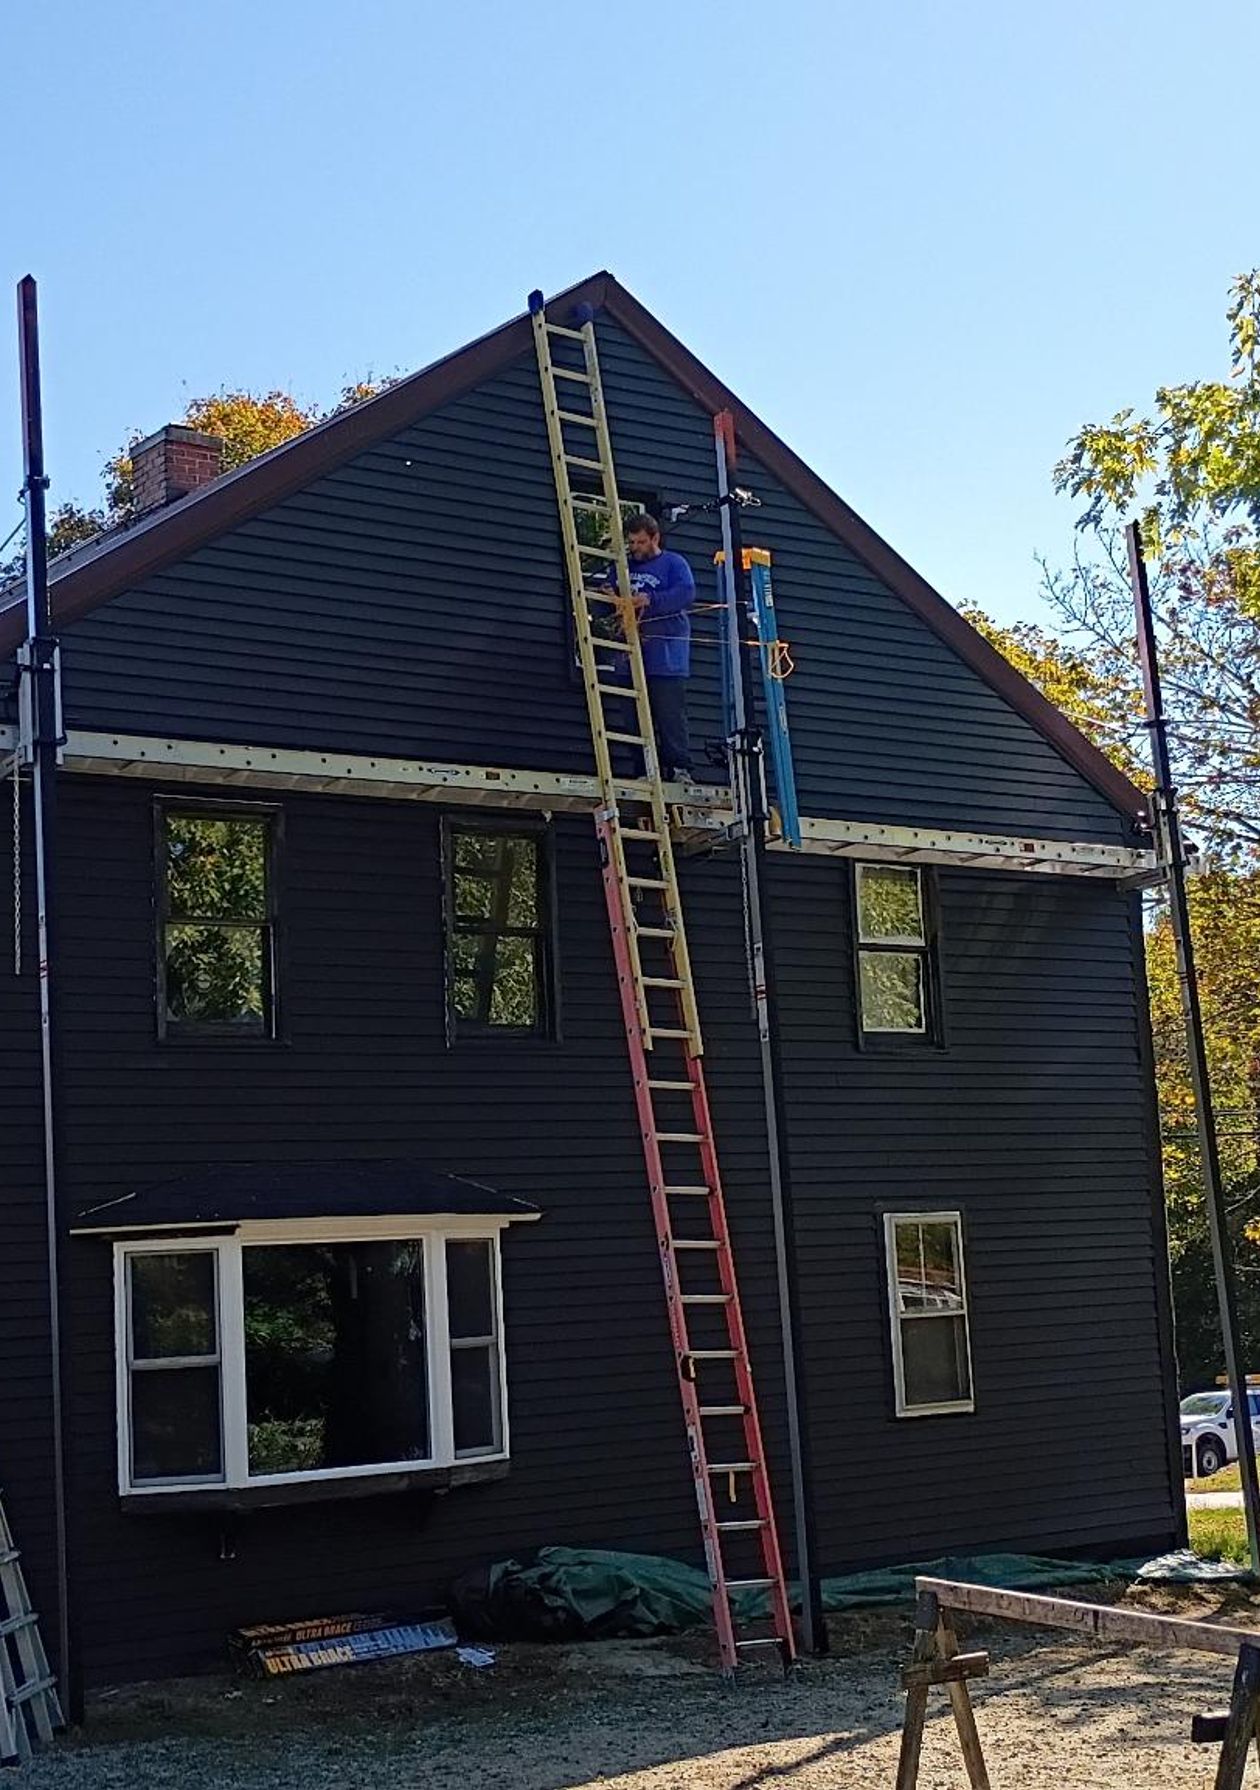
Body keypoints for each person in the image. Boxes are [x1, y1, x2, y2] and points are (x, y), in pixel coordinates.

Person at [614, 512, 697, 780]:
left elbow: (685, 593)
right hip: (629, 655)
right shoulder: (623, 567)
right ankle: (644, 769)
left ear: (655, 538)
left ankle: (679, 768)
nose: (635, 548)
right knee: (634, 719)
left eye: (640, 542)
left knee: (669, 715)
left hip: (666, 656)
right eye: (632, 543)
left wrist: (650, 600)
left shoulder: (673, 563)